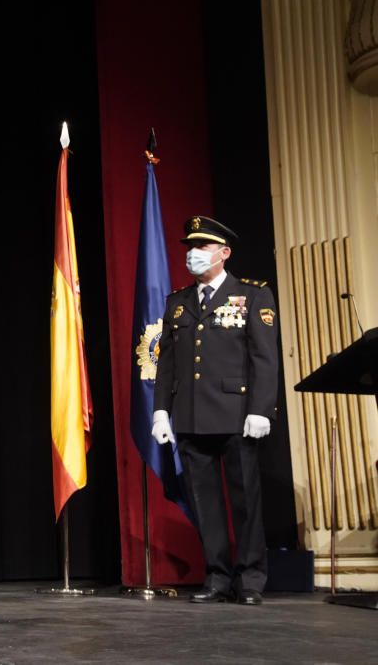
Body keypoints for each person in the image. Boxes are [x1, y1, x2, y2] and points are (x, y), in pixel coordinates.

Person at [152, 215, 278, 606]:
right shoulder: (178, 303)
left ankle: (251, 580)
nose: (193, 254)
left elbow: (264, 358)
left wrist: (261, 410)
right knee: (205, 505)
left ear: (224, 253)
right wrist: (161, 412)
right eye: (190, 248)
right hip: (190, 416)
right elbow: (167, 363)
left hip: (237, 415)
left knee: (245, 503)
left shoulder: (253, 295)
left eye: (202, 247)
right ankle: (218, 577)